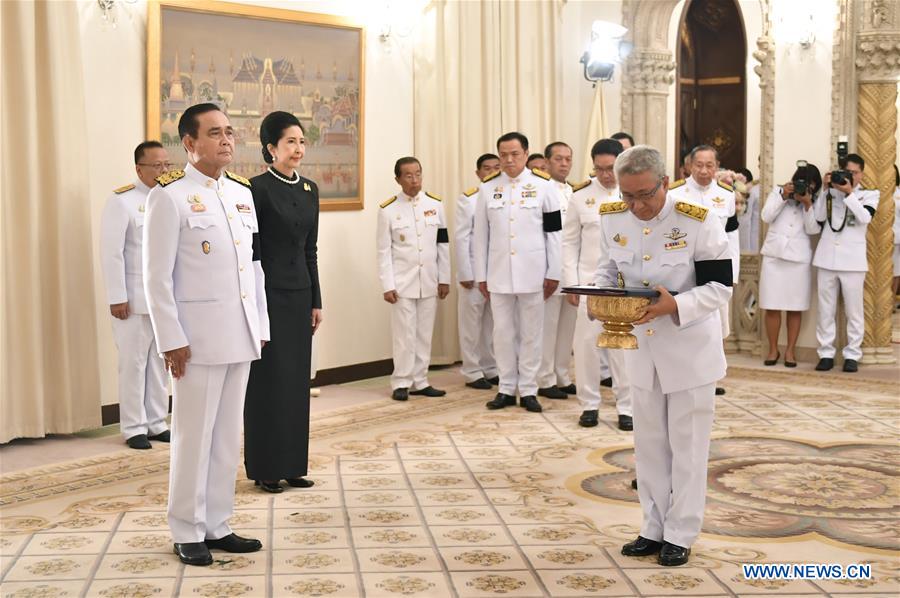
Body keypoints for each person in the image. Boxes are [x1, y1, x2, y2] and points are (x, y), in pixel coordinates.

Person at [143, 103, 270, 566]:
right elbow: (155, 277)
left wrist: (261, 324)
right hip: (194, 341)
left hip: (240, 334)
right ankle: (186, 527)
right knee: (192, 436)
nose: (227, 140)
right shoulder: (169, 195)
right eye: (215, 133)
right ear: (190, 143)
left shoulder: (240, 193)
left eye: (230, 132)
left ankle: (218, 522)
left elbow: (252, 266)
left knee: (225, 435)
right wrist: (170, 338)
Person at [595, 145, 731, 567]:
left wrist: (676, 305)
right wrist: (597, 297)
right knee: (649, 443)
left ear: (665, 183)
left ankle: (681, 532)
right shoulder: (613, 216)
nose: (635, 206)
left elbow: (720, 287)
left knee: (688, 445)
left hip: (689, 349)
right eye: (628, 195)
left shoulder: (699, 220)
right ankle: (652, 528)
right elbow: (607, 270)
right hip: (641, 350)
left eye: (644, 196)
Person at [243, 111, 322, 494]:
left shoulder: (310, 190)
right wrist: (255, 304)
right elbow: (252, 253)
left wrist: (316, 300)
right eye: (290, 141)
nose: (298, 148)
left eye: (302, 141)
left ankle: (293, 464)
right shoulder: (254, 189)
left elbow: (312, 249)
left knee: (295, 383)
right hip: (268, 295)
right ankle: (265, 467)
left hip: (300, 296)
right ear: (271, 148)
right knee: (268, 382)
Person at [473, 131, 562, 413]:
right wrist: (481, 276)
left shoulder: (545, 187)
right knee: (502, 333)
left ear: (526, 154)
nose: (509, 160)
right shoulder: (488, 189)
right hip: (498, 273)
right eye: (503, 155)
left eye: (514, 154)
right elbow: (480, 237)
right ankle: (506, 388)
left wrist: (554, 271)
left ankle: (529, 389)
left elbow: (554, 233)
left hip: (534, 272)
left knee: (532, 333)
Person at [100, 141, 172, 450]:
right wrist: (117, 296)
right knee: (133, 365)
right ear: (139, 168)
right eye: (156, 165)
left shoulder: (169, 199)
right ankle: (133, 427)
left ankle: (157, 422)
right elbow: (111, 253)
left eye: (166, 165)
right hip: (131, 301)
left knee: (159, 365)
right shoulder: (123, 202)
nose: (163, 171)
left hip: (162, 301)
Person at [563, 138, 633, 430]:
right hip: (589, 284)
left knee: (623, 350)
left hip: (623, 285)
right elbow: (569, 242)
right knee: (587, 347)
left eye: (610, 168)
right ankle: (589, 405)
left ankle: (627, 407)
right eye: (599, 168)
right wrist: (572, 283)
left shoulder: (633, 193)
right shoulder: (580, 197)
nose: (605, 175)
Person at [377, 157, 450, 400]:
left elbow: (442, 245)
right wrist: (387, 284)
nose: (414, 179)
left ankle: (421, 380)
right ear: (398, 179)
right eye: (408, 175)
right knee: (404, 335)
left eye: (418, 174)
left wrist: (444, 278)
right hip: (402, 283)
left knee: (423, 333)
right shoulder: (388, 210)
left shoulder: (435, 205)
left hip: (429, 280)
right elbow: (383, 251)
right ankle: (401, 382)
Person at [668, 145, 736, 395]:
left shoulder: (726, 195)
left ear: (717, 167)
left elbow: (732, 237)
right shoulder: (675, 192)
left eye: (710, 165)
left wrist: (732, 275)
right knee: (683, 322)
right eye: (699, 165)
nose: (704, 171)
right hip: (683, 270)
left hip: (716, 271)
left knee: (716, 326)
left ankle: (711, 377)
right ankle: (682, 373)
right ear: (689, 166)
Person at [805, 153, 879, 372]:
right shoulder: (830, 193)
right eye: (848, 172)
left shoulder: (869, 195)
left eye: (855, 173)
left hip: (853, 262)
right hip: (827, 258)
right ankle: (826, 353)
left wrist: (849, 194)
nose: (851, 176)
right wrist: (826, 190)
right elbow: (818, 217)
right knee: (825, 310)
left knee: (854, 311)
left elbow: (865, 218)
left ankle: (852, 355)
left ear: (861, 174)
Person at [759, 163, 821, 367]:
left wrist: (807, 205)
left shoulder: (816, 202)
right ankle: (772, 349)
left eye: (810, 185)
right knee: (772, 306)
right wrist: (783, 197)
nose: (804, 188)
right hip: (774, 257)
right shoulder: (778, 193)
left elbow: (813, 230)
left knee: (795, 308)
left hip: (798, 260)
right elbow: (766, 216)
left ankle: (790, 351)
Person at [456, 154, 501, 390]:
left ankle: (490, 366)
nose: (492, 172)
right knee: (471, 324)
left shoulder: (503, 195)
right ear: (478, 173)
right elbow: (462, 237)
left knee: (491, 324)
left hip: (496, 273)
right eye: (487, 168)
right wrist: (465, 272)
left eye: (497, 167)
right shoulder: (469, 199)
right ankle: (472, 370)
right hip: (473, 273)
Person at [537, 141, 577, 399]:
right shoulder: (539, 189)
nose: (564, 164)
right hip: (548, 270)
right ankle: (544, 378)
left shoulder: (576, 191)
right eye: (558, 159)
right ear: (547, 161)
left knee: (568, 329)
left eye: (568, 159)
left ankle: (562, 375)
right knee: (547, 328)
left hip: (572, 270)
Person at [892, 165, 900, 305]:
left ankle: (891, 300)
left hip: (897, 238)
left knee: (896, 271)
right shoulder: (874, 192)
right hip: (877, 238)